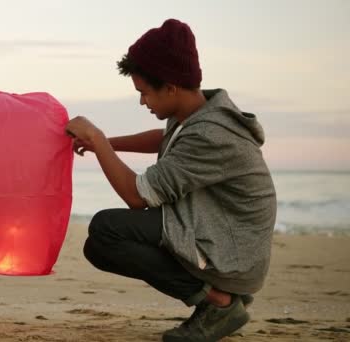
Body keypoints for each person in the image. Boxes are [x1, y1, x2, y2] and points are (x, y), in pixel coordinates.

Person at [65, 19, 276, 342]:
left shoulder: (210, 133)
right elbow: (163, 140)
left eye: (145, 93)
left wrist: (96, 137)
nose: (142, 102)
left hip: (233, 252)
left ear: (171, 86)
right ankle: (217, 295)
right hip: (214, 230)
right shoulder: (197, 114)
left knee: (107, 230)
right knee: (99, 246)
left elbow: (136, 197)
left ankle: (219, 303)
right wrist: (104, 143)